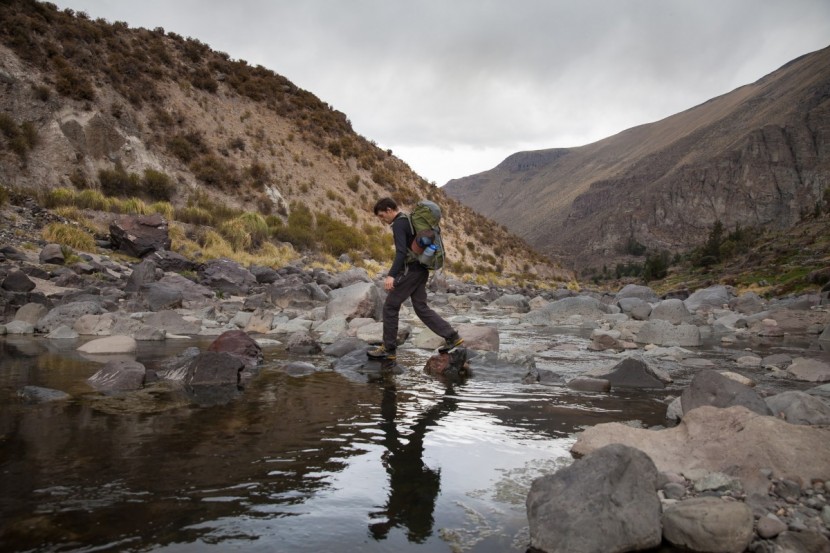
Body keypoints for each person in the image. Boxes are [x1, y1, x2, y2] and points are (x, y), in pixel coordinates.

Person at [369, 197, 463, 361]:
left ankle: (389, 349)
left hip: (411, 270)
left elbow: (400, 252)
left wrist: (391, 275)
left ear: (390, 210)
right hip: (421, 269)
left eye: (382, 216)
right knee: (420, 307)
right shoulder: (409, 220)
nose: (382, 220)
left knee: (391, 306)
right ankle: (452, 337)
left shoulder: (399, 223)